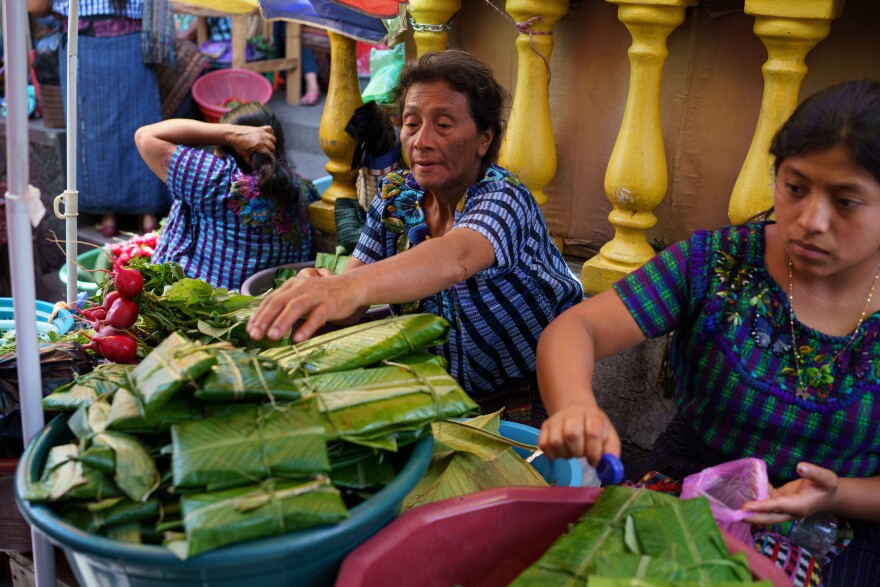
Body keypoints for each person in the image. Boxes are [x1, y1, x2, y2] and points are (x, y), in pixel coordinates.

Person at [536, 80, 880, 585]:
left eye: (847, 202)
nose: (811, 221)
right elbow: (577, 327)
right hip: (696, 485)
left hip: (846, 527)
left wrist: (837, 495)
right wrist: (575, 408)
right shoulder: (719, 263)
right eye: (795, 188)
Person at [247, 50, 584, 420]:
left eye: (443, 125)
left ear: (483, 139)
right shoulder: (396, 197)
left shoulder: (504, 197)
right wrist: (322, 292)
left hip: (539, 386)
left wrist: (348, 287)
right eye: (411, 123)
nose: (421, 141)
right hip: (443, 390)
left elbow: (456, 257)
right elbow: (354, 299)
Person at [135, 102, 319, 291]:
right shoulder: (305, 190)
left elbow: (145, 135)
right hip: (262, 304)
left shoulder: (219, 181)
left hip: (200, 302)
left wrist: (230, 133)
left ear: (231, 145)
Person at [27, 0, 171, 237]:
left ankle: (108, 216)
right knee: (141, 121)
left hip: (84, 44)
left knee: (94, 130)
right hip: (135, 43)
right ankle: (148, 216)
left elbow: (35, 7)